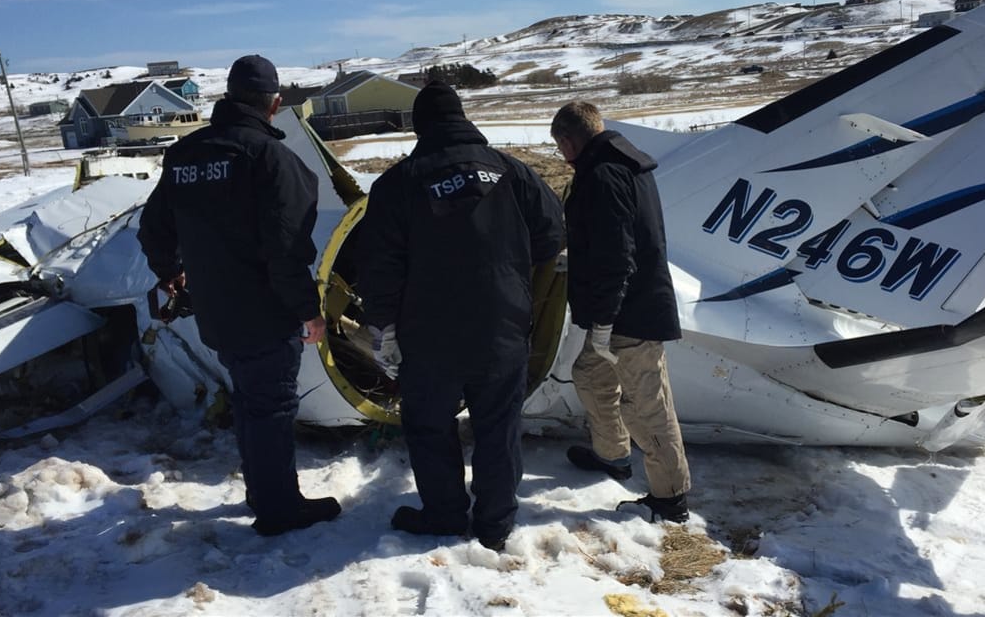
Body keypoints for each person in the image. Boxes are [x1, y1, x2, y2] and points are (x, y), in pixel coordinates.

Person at [137, 54, 341, 536]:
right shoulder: (270, 158)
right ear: (273, 104)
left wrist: (169, 272)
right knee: (269, 406)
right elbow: (287, 249)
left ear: (228, 97)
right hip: (265, 312)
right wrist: (308, 311)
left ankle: (263, 492)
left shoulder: (185, 155)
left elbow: (153, 228)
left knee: (252, 401)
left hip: (215, 311)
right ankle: (277, 509)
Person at [360, 80, 564, 551]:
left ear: (420, 126)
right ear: (463, 117)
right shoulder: (511, 171)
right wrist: (510, 263)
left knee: (431, 428)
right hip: (503, 324)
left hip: (429, 334)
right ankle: (495, 524)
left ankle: (446, 516)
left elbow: (378, 265)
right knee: (498, 426)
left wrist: (383, 326)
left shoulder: (399, 183)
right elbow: (552, 233)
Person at [550, 100, 692, 523]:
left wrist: (606, 318)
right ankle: (613, 455)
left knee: (647, 405)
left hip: (631, 314)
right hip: (621, 310)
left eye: (559, 146)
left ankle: (670, 497)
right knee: (591, 376)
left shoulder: (602, 175)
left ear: (569, 140)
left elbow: (617, 256)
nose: (561, 154)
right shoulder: (621, 165)